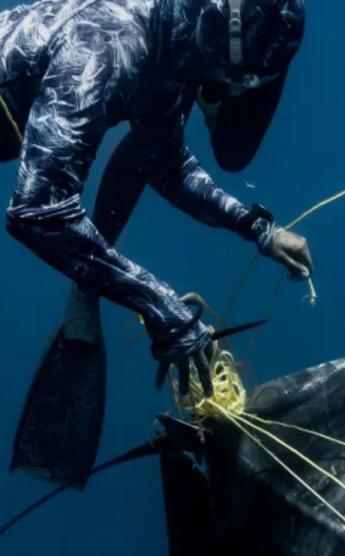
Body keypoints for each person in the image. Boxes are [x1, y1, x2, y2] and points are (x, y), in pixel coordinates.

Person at [0, 0, 312, 400]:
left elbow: (169, 165)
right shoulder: (108, 44)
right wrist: (161, 306)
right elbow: (40, 210)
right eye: (226, 80)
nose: (215, 95)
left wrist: (259, 230)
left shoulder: (166, 50)